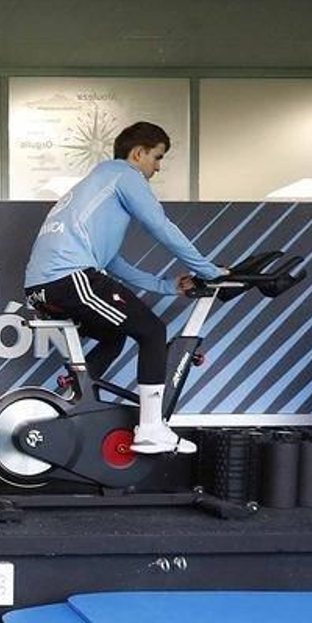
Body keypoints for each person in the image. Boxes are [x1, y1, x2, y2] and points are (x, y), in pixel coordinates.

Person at [22, 121, 229, 454]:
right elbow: (160, 226)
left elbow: (112, 262)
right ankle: (150, 429)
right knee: (151, 331)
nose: (157, 168)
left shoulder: (95, 183)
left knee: (114, 334)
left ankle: (71, 401)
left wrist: (165, 286)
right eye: (157, 158)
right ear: (138, 153)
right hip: (69, 279)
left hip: (45, 286)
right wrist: (208, 270)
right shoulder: (125, 175)